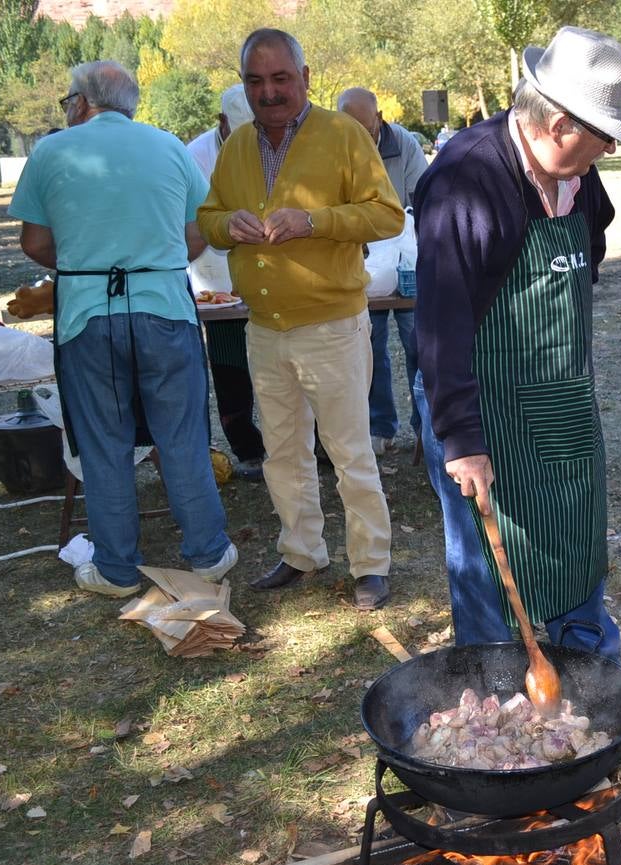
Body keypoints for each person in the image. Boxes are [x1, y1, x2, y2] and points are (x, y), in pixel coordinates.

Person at [414, 26, 621, 705]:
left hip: (561, 395)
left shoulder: (578, 172)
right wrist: (461, 440)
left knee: (577, 534)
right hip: (479, 399)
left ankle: (590, 677)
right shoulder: (467, 181)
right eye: (603, 136)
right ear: (554, 125)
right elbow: (441, 325)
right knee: (490, 561)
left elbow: (590, 240)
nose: (609, 149)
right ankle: (500, 696)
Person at [8, 60, 237, 598]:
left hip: (88, 313)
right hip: (164, 308)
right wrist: (147, 259)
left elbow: (35, 245)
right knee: (181, 434)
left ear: (82, 102)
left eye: (68, 100)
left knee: (103, 442)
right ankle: (207, 553)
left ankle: (116, 568)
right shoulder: (170, 147)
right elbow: (196, 236)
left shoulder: (50, 150)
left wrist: (91, 253)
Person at [197, 29, 404, 610]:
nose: (269, 92)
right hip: (263, 326)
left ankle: (371, 564)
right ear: (244, 87)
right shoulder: (237, 146)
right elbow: (207, 219)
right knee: (282, 451)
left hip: (332, 325)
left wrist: (312, 222)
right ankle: (301, 552)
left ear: (305, 78)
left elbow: (386, 215)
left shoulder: (342, 134)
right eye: (255, 82)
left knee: (348, 451)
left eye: (280, 78)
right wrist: (227, 225)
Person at [336, 87, 428, 455]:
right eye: (349, 127)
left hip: (405, 260)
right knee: (369, 345)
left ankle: (426, 428)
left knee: (418, 341)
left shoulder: (403, 143)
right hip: (361, 263)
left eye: (364, 127)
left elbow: (424, 196)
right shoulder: (334, 147)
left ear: (379, 120)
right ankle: (380, 427)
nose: (358, 135)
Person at [186, 84, 267, 480]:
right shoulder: (195, 157)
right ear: (221, 123)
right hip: (212, 273)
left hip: (265, 268)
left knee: (281, 360)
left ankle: (309, 442)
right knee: (230, 361)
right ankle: (246, 447)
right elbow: (195, 223)